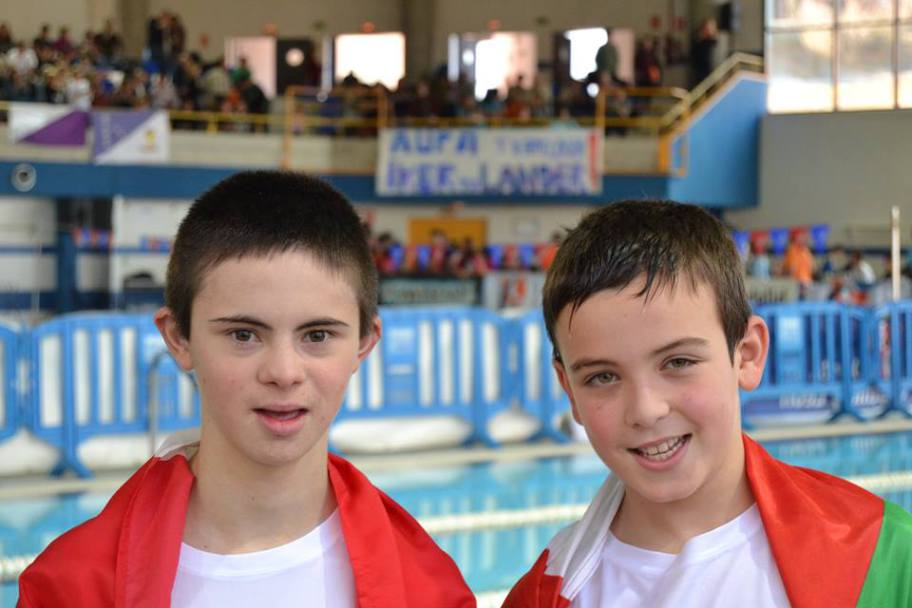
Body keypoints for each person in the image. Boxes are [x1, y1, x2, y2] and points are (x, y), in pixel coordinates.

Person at [17, 171, 476, 608]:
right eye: (243, 335)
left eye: (317, 335)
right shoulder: (69, 587)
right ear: (179, 339)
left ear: (363, 344)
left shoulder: (429, 587)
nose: (283, 372)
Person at [504, 200, 912, 607]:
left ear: (747, 355)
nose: (646, 410)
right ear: (570, 390)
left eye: (678, 362)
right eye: (603, 377)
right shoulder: (542, 595)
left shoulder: (882, 559)